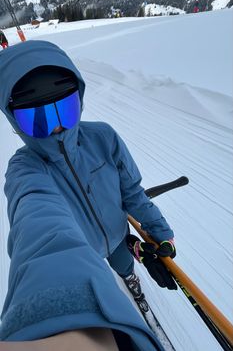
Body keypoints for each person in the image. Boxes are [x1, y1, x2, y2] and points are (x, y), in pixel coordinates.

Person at [0, 40, 176, 350]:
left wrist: (160, 231)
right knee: (108, 269)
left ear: (79, 101)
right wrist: (58, 310)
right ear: (15, 122)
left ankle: (130, 282)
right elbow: (37, 229)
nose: (56, 129)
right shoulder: (25, 170)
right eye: (37, 120)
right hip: (84, 254)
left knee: (124, 266)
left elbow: (132, 193)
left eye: (65, 111)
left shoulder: (103, 138)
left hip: (118, 236)